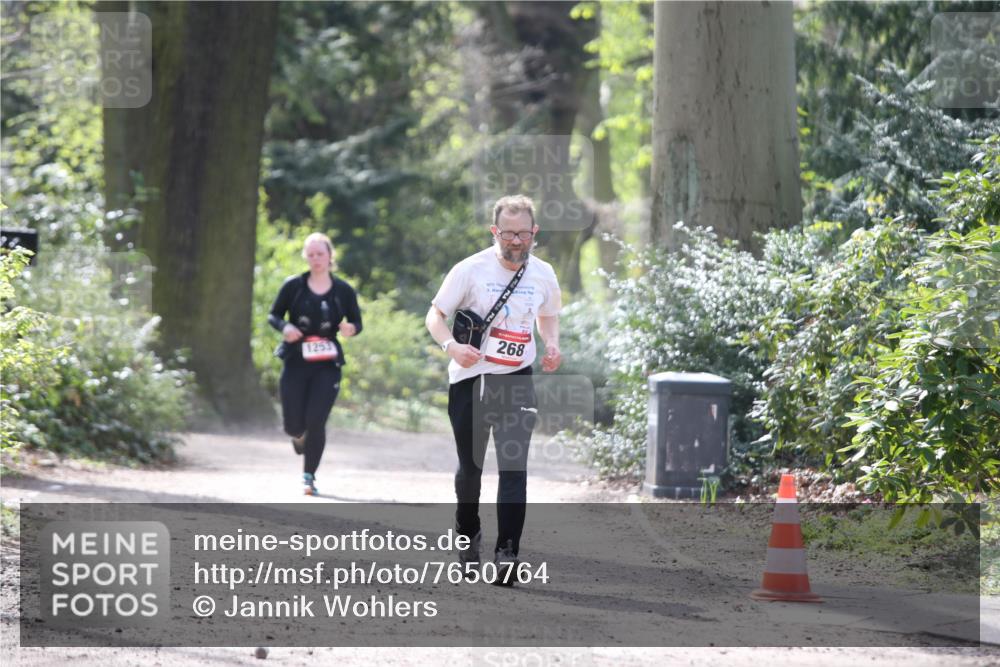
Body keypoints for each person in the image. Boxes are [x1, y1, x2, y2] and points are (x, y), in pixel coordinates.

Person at [425, 194, 562, 584]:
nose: (516, 241)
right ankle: (468, 534)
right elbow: (435, 315)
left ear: (534, 232)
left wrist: (552, 345)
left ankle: (508, 554)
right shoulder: (469, 270)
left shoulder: (543, 274)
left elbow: (547, 317)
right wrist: (451, 346)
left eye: (523, 234)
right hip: (471, 380)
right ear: (494, 231)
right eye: (508, 233)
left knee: (514, 467)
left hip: (517, 378)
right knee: (470, 469)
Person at [268, 232, 362, 496]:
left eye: (320, 254)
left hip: (327, 364)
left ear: (330, 256)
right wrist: (285, 326)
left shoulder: (343, 290)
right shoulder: (294, 286)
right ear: (305, 257)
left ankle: (309, 477)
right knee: (293, 424)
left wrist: (350, 328)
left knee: (316, 420)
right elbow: (273, 315)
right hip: (296, 359)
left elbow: (357, 322)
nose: (316, 259)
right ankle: (298, 436)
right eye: (310, 254)